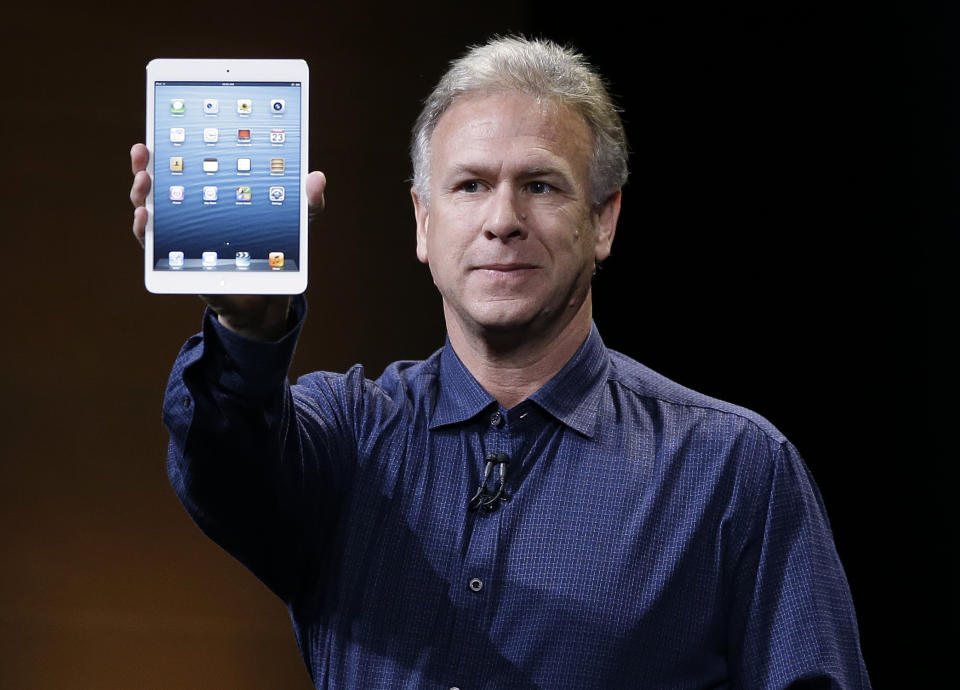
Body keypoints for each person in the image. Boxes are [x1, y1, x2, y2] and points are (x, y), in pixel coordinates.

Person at [130, 36, 871, 689]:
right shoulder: (345, 437)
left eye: (541, 186)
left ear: (604, 219)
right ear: (424, 221)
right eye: (471, 185)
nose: (503, 219)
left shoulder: (735, 470)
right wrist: (246, 322)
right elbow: (224, 465)